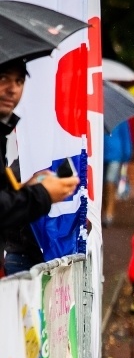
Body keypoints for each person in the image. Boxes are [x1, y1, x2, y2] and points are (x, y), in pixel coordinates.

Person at [1, 58, 79, 276]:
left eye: (19, 81)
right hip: (19, 256)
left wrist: (28, 187)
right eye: (4, 78)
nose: (13, 89)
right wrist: (42, 194)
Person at [102, 120, 132, 227]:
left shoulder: (120, 120)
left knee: (110, 182)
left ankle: (109, 213)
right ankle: (105, 211)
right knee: (102, 186)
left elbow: (125, 136)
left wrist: (126, 155)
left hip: (115, 155)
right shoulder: (97, 116)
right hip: (100, 154)